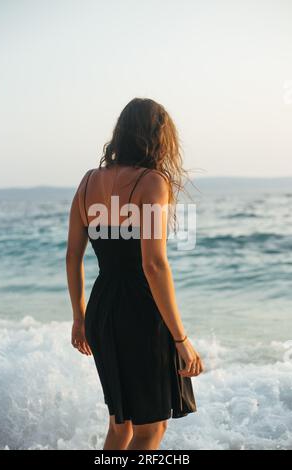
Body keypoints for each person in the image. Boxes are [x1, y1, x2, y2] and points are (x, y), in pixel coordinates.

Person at [66, 98, 204, 450]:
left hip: (102, 309)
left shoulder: (88, 182)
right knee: (150, 430)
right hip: (140, 314)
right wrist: (180, 339)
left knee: (121, 425)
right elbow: (153, 265)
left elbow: (72, 257)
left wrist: (80, 317)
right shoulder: (152, 181)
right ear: (159, 137)